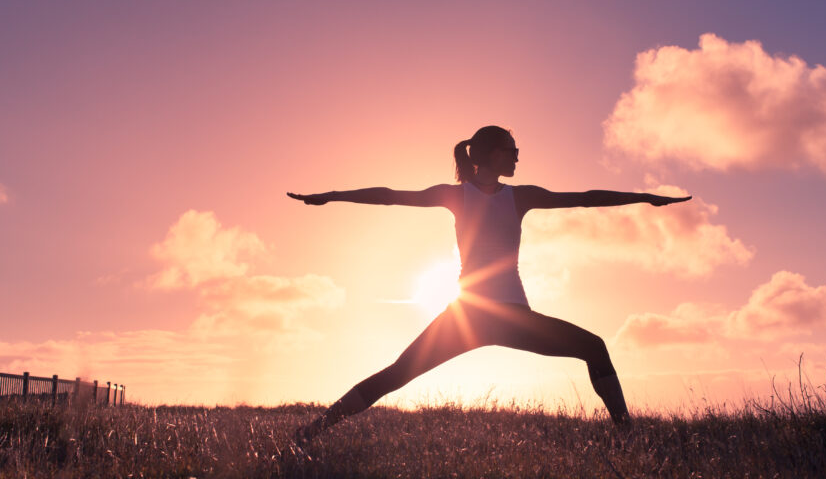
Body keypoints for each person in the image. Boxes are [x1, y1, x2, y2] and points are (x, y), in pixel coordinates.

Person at [287, 125, 690, 441]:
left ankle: (628, 437)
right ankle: (310, 431)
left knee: (593, 348)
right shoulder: (457, 195)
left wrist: (644, 197)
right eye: (511, 151)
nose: (517, 157)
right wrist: (331, 195)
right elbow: (390, 195)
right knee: (396, 375)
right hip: (483, 315)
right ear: (489, 155)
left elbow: (584, 197)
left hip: (485, 315)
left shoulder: (518, 196)